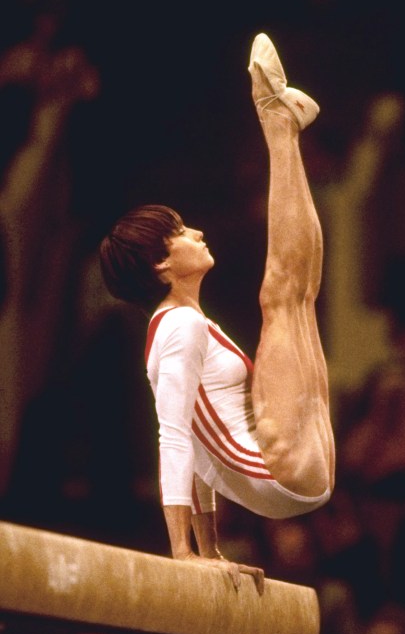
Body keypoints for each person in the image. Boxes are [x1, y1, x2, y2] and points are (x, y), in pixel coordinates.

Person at [100, 34, 335, 590]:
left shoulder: (189, 323)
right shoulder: (179, 327)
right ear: (162, 266)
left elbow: (203, 448)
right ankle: (279, 127)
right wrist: (182, 552)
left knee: (297, 295)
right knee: (283, 296)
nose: (196, 232)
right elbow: (175, 436)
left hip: (293, 471)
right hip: (279, 469)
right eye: (179, 233)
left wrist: (211, 547)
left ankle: (286, 131)